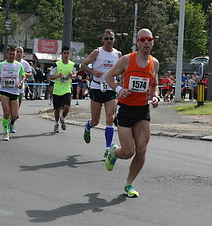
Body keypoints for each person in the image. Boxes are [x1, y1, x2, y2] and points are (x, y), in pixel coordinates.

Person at [104, 28, 160, 197]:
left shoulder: (154, 63)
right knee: (128, 152)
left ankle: (129, 184)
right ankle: (114, 153)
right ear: (137, 42)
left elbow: (154, 85)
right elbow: (108, 76)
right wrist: (119, 89)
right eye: (142, 39)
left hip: (142, 110)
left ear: (153, 42)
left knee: (141, 149)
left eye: (149, 39)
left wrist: (155, 97)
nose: (146, 42)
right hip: (125, 109)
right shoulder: (127, 60)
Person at [81, 29, 122, 160]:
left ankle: (107, 149)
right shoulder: (97, 52)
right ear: (102, 39)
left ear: (114, 40)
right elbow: (83, 65)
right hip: (97, 87)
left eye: (111, 38)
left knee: (110, 118)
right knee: (95, 120)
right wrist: (93, 72)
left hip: (111, 88)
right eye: (106, 38)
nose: (109, 41)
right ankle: (88, 127)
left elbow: (124, 69)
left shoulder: (118, 54)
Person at [0, 46, 26, 141]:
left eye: (13, 55)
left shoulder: (19, 65)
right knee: (6, 113)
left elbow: (23, 76)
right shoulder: (2, 65)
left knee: (14, 115)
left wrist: (20, 83)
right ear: (7, 54)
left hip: (15, 91)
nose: (12, 56)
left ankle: (11, 124)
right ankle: (5, 132)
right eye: (10, 54)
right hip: (4, 91)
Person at [49, 46, 76, 133]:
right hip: (57, 90)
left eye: (68, 53)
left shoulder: (72, 64)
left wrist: (73, 76)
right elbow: (50, 77)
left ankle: (63, 118)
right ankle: (56, 123)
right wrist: (58, 76)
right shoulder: (57, 64)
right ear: (61, 54)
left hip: (67, 89)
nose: (66, 55)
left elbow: (75, 75)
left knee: (67, 107)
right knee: (57, 109)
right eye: (65, 53)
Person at [15, 47, 32, 117]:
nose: (19, 53)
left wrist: (24, 74)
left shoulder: (25, 63)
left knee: (18, 103)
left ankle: (15, 112)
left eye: (21, 52)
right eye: (18, 52)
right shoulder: (10, 62)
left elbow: (30, 74)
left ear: (23, 54)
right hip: (10, 87)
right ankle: (13, 113)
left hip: (20, 87)